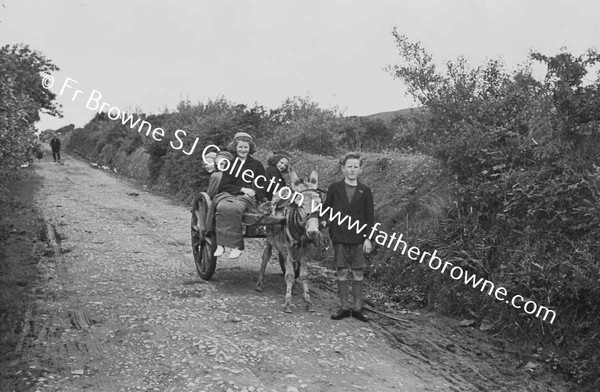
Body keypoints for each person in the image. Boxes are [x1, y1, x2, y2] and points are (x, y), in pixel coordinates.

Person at [323, 153, 374, 322]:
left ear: (360, 170)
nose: (352, 170)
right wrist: (323, 222)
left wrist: (368, 238)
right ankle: (344, 308)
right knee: (342, 271)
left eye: (355, 167)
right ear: (343, 168)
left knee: (358, 273)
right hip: (340, 236)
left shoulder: (365, 191)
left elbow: (369, 216)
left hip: (359, 238)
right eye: (349, 166)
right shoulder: (335, 188)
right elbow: (326, 209)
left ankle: (357, 309)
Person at [214, 132, 266, 259]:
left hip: (247, 199)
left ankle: (237, 246)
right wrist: (242, 189)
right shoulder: (229, 164)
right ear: (235, 148)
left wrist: (254, 193)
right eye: (240, 147)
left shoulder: (257, 165)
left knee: (235, 208)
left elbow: (263, 184)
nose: (243, 150)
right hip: (229, 195)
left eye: (246, 147)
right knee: (221, 207)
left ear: (250, 148)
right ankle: (220, 244)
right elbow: (224, 186)